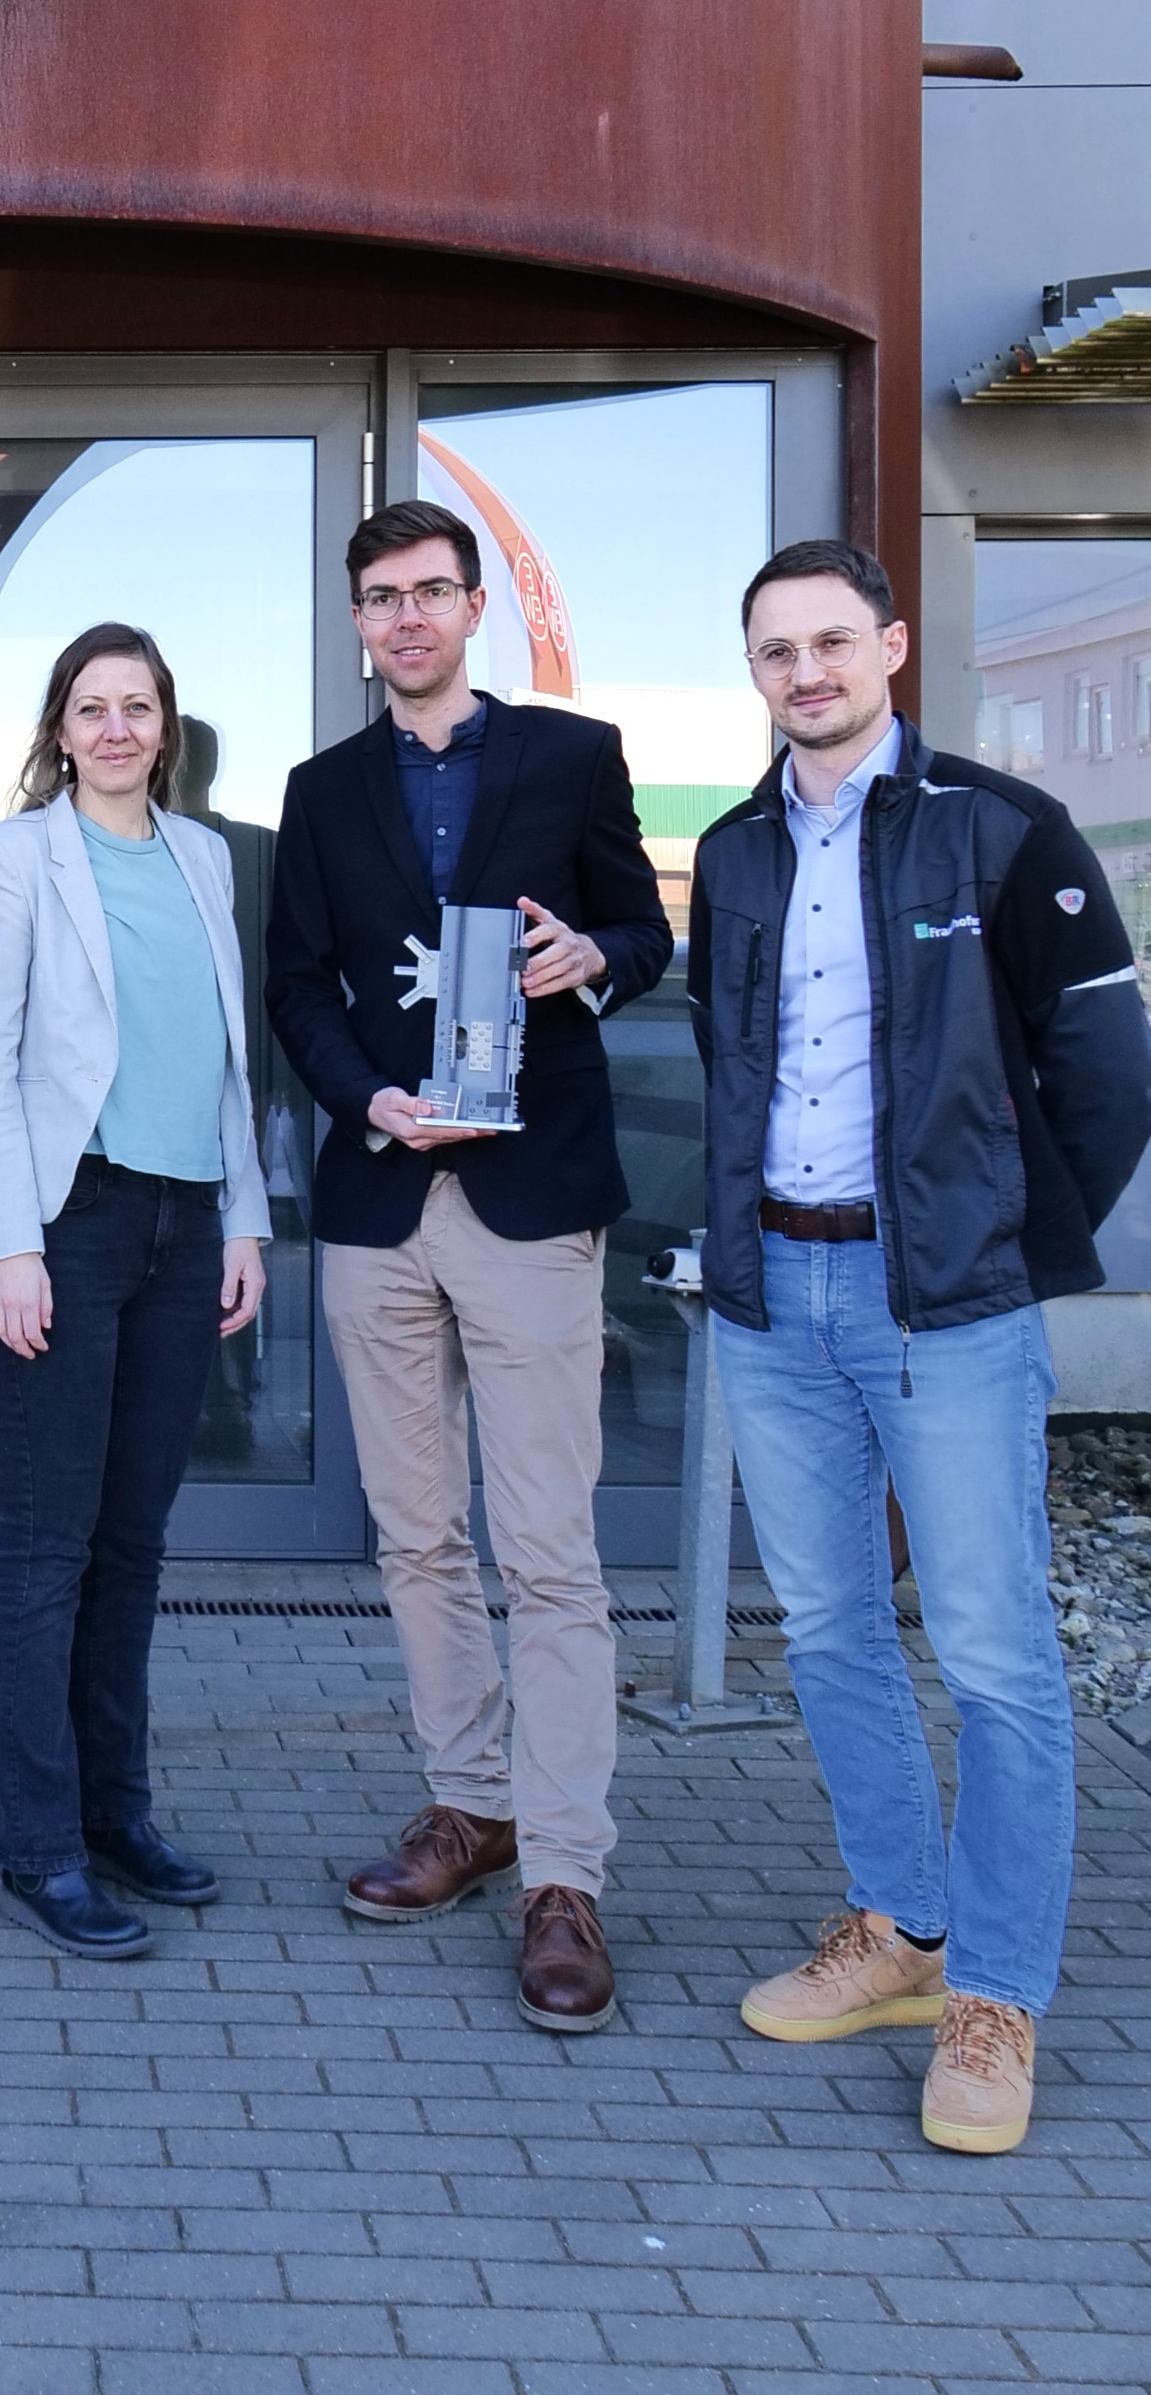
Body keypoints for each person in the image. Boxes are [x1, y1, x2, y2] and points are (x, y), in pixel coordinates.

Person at [690, 539, 1151, 2154]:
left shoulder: (1003, 830)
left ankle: (998, 1996)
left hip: (945, 1304)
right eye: (774, 651)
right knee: (828, 1628)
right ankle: (900, 1927)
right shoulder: (735, 848)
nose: (805, 672)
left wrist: (999, 1247)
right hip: (777, 1301)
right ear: (753, 673)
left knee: (1000, 1653)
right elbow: (732, 1064)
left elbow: (1105, 1071)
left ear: (889, 646)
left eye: (831, 641)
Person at [267, 499, 670, 2032]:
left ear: (475, 604)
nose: (409, 619)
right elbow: (295, 981)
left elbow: (643, 929)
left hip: (528, 1189)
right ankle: (469, 1803)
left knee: (550, 1549)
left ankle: (566, 1870)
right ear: (359, 622)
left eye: (433, 592)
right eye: (382, 598)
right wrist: (359, 1094)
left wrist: (595, 959)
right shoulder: (324, 790)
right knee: (419, 1537)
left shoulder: (572, 756)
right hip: (380, 1193)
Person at [0, 625, 270, 1958]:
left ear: (169, 723)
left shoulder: (205, 857)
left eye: (139, 706)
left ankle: (116, 1810)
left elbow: (224, 1060)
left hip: (185, 1224)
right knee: (47, 1545)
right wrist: (8, 1242)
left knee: (134, 1544)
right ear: (59, 726)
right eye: (93, 708)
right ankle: (35, 1842)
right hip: (68, 1224)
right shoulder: (16, 857)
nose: (118, 729)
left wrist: (246, 1220)